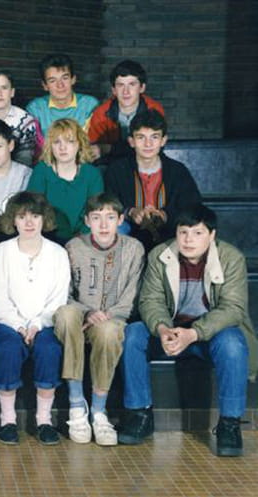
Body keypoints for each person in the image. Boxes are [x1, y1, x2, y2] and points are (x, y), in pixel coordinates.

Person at [118, 204, 257, 457]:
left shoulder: (231, 258)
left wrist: (194, 333)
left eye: (197, 233)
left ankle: (230, 424)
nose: (188, 240)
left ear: (212, 235)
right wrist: (162, 329)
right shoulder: (160, 255)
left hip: (208, 335)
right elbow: (150, 300)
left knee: (233, 343)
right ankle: (139, 414)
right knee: (134, 334)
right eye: (183, 232)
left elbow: (233, 309)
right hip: (171, 331)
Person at [53, 193, 145, 446]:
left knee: (107, 331)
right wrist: (86, 312)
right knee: (66, 314)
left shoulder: (133, 249)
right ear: (87, 221)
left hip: (112, 319)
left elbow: (132, 297)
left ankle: (98, 411)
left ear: (121, 220)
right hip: (79, 317)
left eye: (110, 218)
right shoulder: (73, 247)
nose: (103, 225)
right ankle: (76, 406)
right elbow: (63, 293)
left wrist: (107, 315)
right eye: (96, 218)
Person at [0, 192, 69, 446]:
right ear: (13, 220)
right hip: (8, 321)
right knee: (8, 349)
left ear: (44, 219)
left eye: (35, 216)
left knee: (49, 350)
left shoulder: (58, 253)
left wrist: (36, 324)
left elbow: (58, 299)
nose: (29, 222)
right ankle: (8, 421)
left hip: (45, 322)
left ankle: (44, 421)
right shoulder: (2, 251)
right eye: (22, 216)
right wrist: (19, 326)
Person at [104, 109, 202, 251]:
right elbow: (108, 203)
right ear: (131, 141)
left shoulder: (178, 171)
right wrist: (130, 212)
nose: (148, 144)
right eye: (141, 137)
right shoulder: (117, 170)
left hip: (169, 233)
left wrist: (165, 215)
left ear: (163, 140)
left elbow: (193, 206)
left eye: (154, 137)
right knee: (115, 228)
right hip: (129, 234)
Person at [26, 118, 103, 243]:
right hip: (47, 238)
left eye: (70, 141)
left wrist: (80, 239)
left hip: (85, 238)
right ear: (50, 146)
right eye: (57, 142)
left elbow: (96, 211)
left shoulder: (92, 173)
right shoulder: (41, 170)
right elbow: (34, 209)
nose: (62, 147)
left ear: (79, 144)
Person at [88, 60, 165, 163]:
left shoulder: (154, 109)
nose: (126, 92)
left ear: (142, 88)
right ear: (114, 90)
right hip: (112, 163)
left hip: (146, 161)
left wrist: (110, 148)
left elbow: (153, 148)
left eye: (132, 84)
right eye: (120, 85)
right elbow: (95, 151)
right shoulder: (101, 114)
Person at [26, 54, 98, 136]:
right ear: (45, 85)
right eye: (52, 81)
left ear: (73, 79)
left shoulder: (89, 105)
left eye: (65, 78)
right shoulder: (36, 108)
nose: (60, 85)